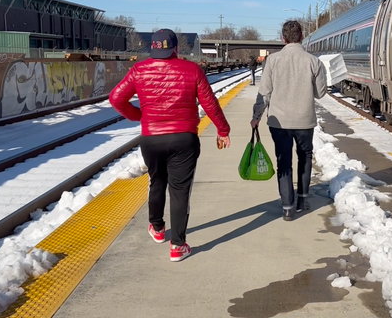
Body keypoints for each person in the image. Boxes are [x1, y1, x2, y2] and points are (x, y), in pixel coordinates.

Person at [110, 29, 231, 262]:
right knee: (180, 191)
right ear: (176, 48)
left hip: (151, 138)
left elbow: (116, 98)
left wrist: (139, 116)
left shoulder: (139, 70)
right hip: (184, 139)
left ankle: (156, 228)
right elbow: (209, 103)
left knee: (157, 181)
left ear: (152, 48)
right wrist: (223, 130)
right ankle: (178, 245)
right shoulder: (192, 70)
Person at [250, 21, 328, 221]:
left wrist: (256, 116)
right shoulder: (314, 61)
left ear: (283, 38)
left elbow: (264, 92)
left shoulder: (272, 61)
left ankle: (287, 207)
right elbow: (320, 93)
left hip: (279, 123)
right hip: (304, 121)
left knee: (283, 161)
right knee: (305, 157)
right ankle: (302, 199)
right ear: (302, 36)